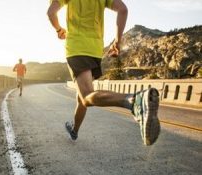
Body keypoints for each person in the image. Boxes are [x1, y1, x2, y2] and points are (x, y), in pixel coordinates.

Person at [47, 0, 160, 145]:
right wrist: (118, 41)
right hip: (95, 50)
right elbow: (123, 10)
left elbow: (51, 13)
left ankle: (134, 101)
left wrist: (59, 29)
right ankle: (74, 130)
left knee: (87, 95)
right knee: (82, 97)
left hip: (76, 48)